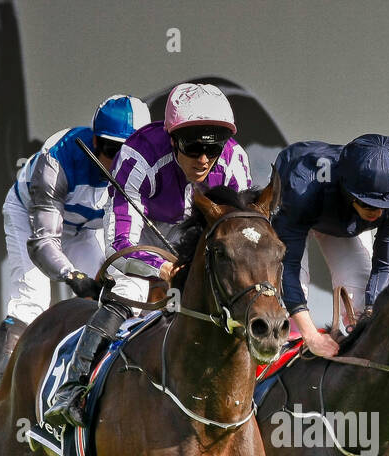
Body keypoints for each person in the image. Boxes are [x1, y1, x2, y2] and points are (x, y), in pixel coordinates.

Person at [44, 82, 252, 429]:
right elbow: (121, 245)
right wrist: (164, 267)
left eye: (212, 148)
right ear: (172, 139)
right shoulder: (139, 155)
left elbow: (241, 236)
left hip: (200, 229)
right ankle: (72, 389)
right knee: (129, 290)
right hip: (145, 228)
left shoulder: (234, 162)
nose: (203, 158)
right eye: (192, 146)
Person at [0, 94, 150, 451]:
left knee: (124, 298)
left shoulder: (142, 169)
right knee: (32, 301)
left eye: (129, 153)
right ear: (95, 141)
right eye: (110, 150)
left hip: (88, 227)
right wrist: (71, 275)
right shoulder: (58, 158)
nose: (117, 162)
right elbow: (44, 242)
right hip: (34, 220)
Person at [270, 134, 389, 357]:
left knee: (362, 301)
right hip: (299, 209)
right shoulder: (305, 184)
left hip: (342, 221)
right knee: (284, 303)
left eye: (384, 204)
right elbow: (288, 263)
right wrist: (312, 336)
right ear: (345, 186)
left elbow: (386, 263)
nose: (376, 212)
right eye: (368, 203)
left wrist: (370, 310)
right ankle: (276, 364)